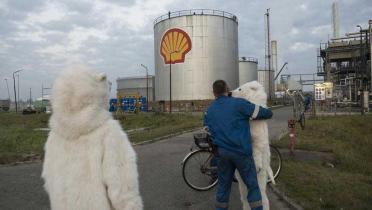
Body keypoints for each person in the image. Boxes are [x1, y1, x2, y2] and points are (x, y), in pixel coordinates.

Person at [204, 80, 273, 210]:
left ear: (214, 93)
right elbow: (265, 113)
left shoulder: (210, 109)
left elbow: (207, 128)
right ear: (227, 89)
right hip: (241, 153)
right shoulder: (239, 104)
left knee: (223, 187)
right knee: (252, 186)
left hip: (222, 154)